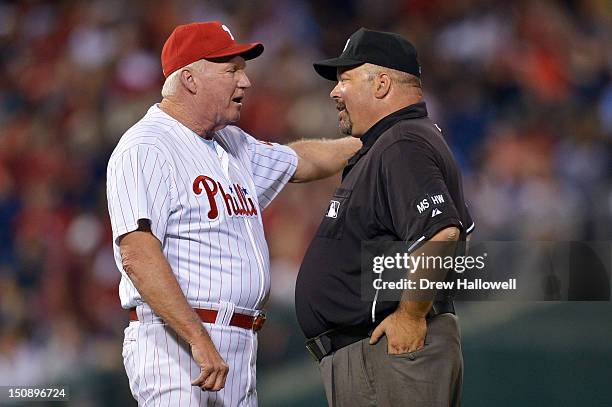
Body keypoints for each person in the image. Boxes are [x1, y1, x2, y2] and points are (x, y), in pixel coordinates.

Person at [106, 21, 361, 406]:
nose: (245, 82)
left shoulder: (230, 143)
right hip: (179, 344)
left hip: (236, 343)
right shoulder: (147, 146)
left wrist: (376, 139)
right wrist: (197, 338)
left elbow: (302, 160)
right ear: (190, 79)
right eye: (232, 70)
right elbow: (138, 255)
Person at [295, 28, 475, 406]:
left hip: (387, 352)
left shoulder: (402, 142)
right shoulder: (398, 141)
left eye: (344, 79)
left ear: (381, 84)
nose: (334, 92)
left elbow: (443, 234)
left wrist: (410, 314)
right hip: (379, 355)